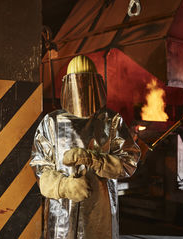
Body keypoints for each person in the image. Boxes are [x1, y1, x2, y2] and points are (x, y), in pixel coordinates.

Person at [30, 55, 141, 239]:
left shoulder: (111, 120)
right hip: (62, 215)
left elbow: (129, 161)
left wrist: (93, 159)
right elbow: (40, 167)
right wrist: (64, 186)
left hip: (100, 213)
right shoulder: (52, 122)